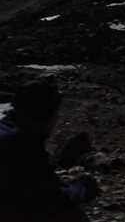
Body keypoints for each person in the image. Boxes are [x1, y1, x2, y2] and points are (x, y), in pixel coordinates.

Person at [0, 81, 98, 222]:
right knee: (74, 216)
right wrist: (84, 190)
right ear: (47, 114)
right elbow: (52, 197)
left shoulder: (9, 131)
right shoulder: (23, 144)